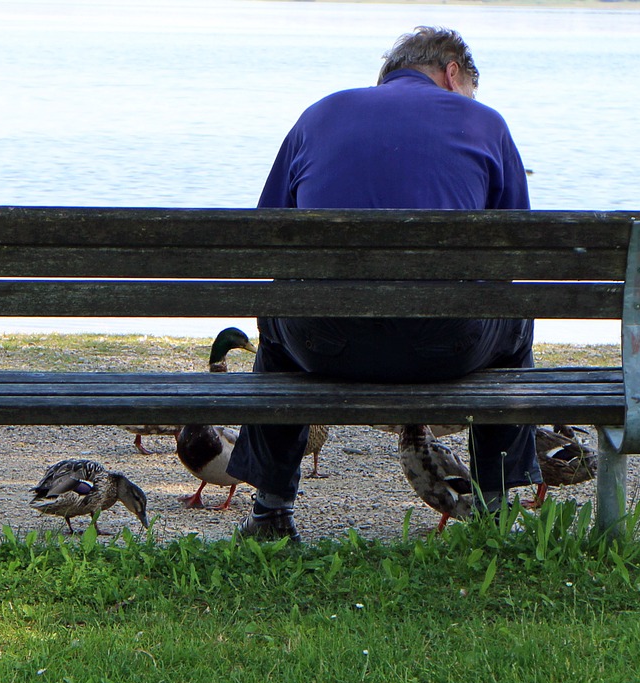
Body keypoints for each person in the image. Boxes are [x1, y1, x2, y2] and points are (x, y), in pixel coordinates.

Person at [228, 25, 541, 542]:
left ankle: (271, 511)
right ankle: (494, 507)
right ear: (452, 72)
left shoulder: (319, 114)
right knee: (515, 314)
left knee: (279, 316)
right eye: (468, 90)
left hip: (323, 345)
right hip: (448, 346)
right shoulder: (487, 124)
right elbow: (518, 254)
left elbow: (269, 236)